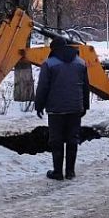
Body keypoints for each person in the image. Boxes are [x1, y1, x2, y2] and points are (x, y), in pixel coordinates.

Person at [35, 38, 90, 181]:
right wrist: (85, 105)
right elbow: (85, 87)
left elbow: (43, 87)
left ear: (53, 49)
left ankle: (58, 172)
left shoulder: (49, 64)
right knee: (72, 139)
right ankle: (70, 172)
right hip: (75, 108)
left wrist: (39, 105)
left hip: (56, 109)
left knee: (56, 140)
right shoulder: (81, 63)